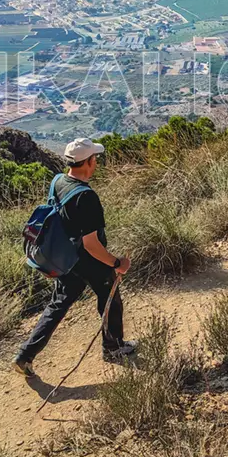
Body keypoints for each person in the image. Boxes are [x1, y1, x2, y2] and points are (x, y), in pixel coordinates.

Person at [13, 138, 137, 377]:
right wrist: (117, 264)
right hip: (87, 260)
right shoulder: (86, 197)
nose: (97, 163)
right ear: (89, 162)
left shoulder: (58, 181)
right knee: (109, 297)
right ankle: (113, 347)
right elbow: (91, 244)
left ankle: (25, 354)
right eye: (95, 159)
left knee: (58, 304)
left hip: (65, 259)